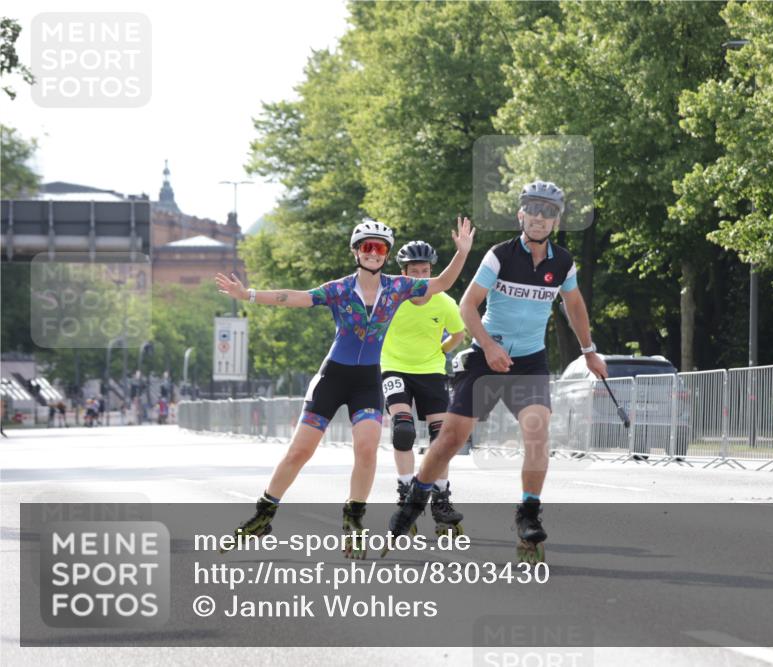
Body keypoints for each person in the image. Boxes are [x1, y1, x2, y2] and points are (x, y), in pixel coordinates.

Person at [215, 217, 474, 557]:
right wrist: (247, 294)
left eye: (379, 247)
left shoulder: (399, 287)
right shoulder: (339, 289)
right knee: (299, 452)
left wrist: (463, 253)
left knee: (366, 449)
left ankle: (354, 519)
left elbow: (440, 283)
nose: (372, 252)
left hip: (367, 381)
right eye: (366, 246)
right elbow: (295, 297)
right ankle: (263, 514)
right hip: (332, 378)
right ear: (356, 251)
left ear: (386, 254)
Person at [388, 181, 607, 563]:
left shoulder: (562, 262)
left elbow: (574, 305)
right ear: (521, 215)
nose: (539, 218)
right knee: (451, 440)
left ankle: (528, 513)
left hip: (530, 362)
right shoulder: (499, 255)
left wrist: (589, 351)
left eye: (548, 212)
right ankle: (414, 501)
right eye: (533, 210)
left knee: (538, 433)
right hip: (485, 358)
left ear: (556, 220)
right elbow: (467, 306)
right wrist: (488, 346)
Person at [380, 240, 467, 535]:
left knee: (441, 438)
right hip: (394, 368)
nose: (420, 276)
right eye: (414, 271)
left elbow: (458, 333)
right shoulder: (391, 299)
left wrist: (440, 351)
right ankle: (406, 494)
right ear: (403, 273)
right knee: (403, 429)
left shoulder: (443, 301)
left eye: (425, 271)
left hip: (430, 371)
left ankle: (440, 499)